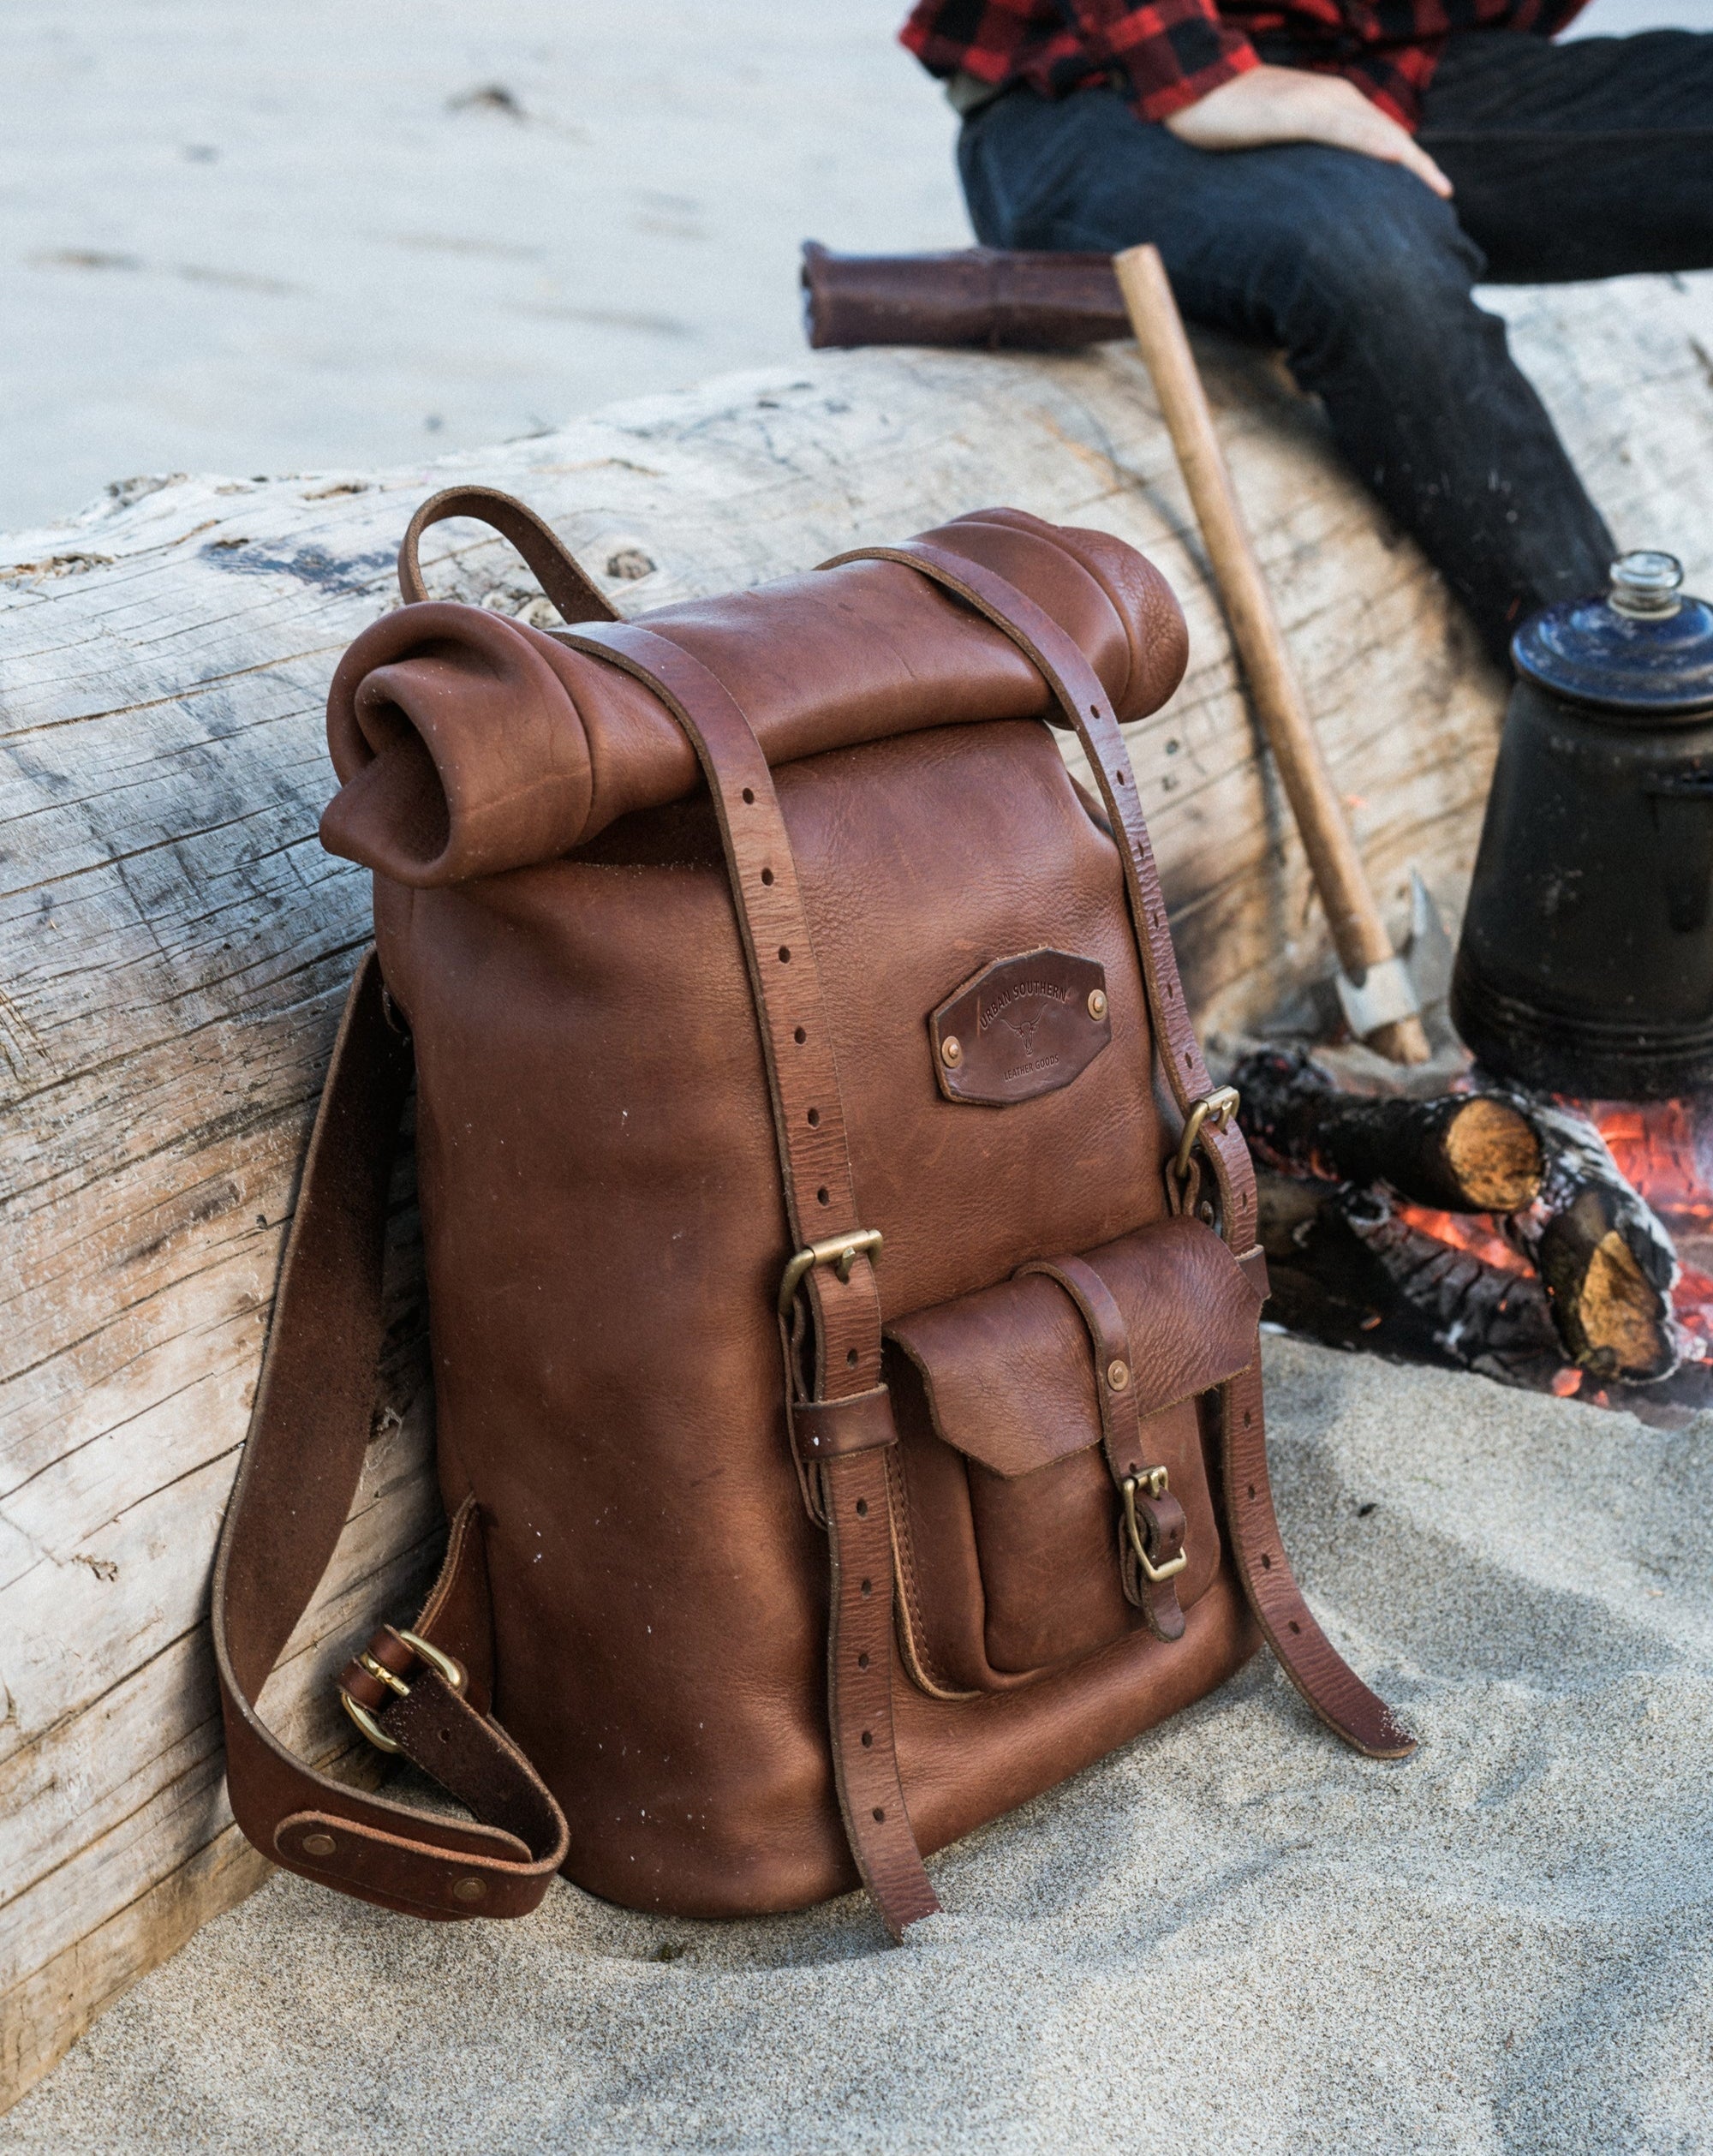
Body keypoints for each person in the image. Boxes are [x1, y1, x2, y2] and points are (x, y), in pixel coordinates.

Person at [899, 2, 1713, 665]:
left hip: (1390, 67)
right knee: (1364, 254)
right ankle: (1627, 727)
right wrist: (1197, 80)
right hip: (1095, 83)